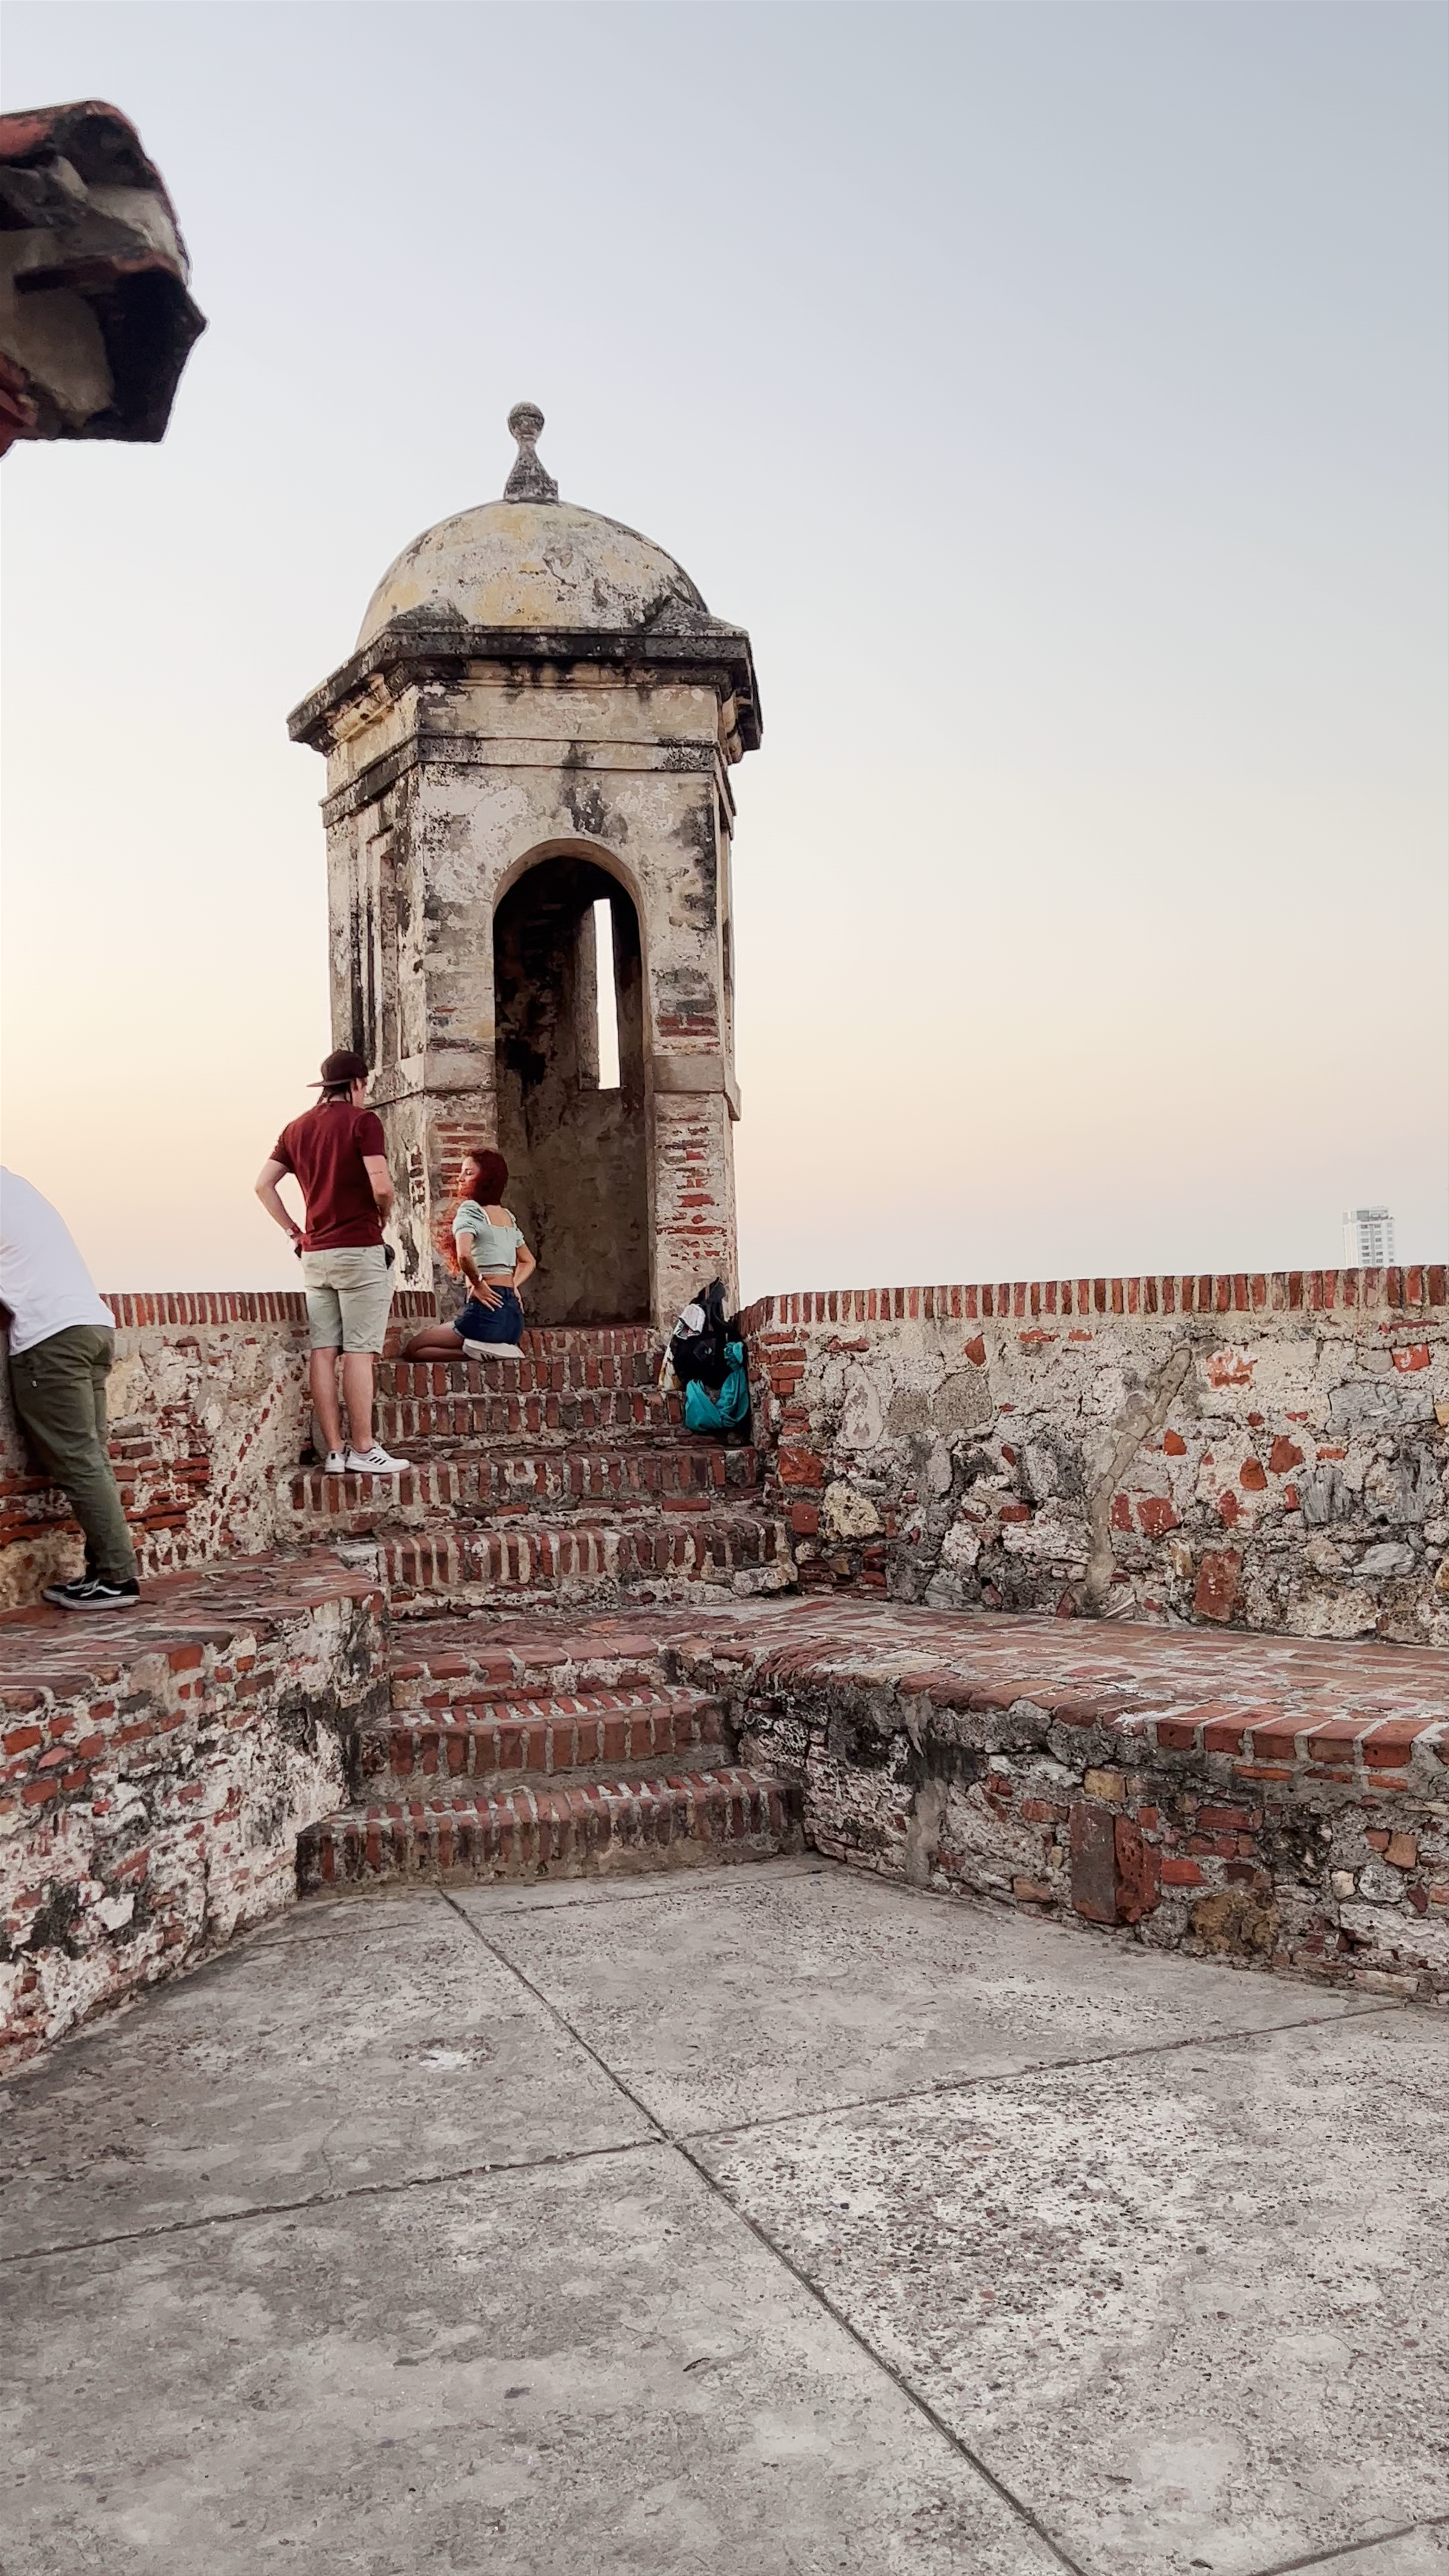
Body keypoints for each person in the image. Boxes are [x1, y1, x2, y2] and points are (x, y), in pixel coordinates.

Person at [254, 1049, 407, 1476]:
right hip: (358, 1249)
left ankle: (335, 1452)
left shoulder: (296, 1128)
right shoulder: (364, 1122)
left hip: (315, 1254)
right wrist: (384, 1214)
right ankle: (363, 1446)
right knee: (359, 1351)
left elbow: (263, 1185)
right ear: (357, 1083)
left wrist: (294, 1232)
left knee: (323, 1352)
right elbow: (382, 1184)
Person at [0, 1167, 140, 1610]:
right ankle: (104, 1575)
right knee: (92, 1455)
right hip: (92, 1324)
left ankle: (118, 1577)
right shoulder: (17, 1186)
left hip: (51, 1337)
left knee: (79, 1460)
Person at [399, 1148, 536, 1362]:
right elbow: (529, 1261)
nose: (460, 1179)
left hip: (487, 1313)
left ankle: (472, 1352)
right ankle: (486, 1351)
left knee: (414, 1348)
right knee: (425, 1346)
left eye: (468, 1173)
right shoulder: (507, 1216)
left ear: (487, 1179)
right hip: (513, 1321)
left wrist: (479, 1284)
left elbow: (464, 1256)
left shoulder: (470, 1210)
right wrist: (513, 1285)